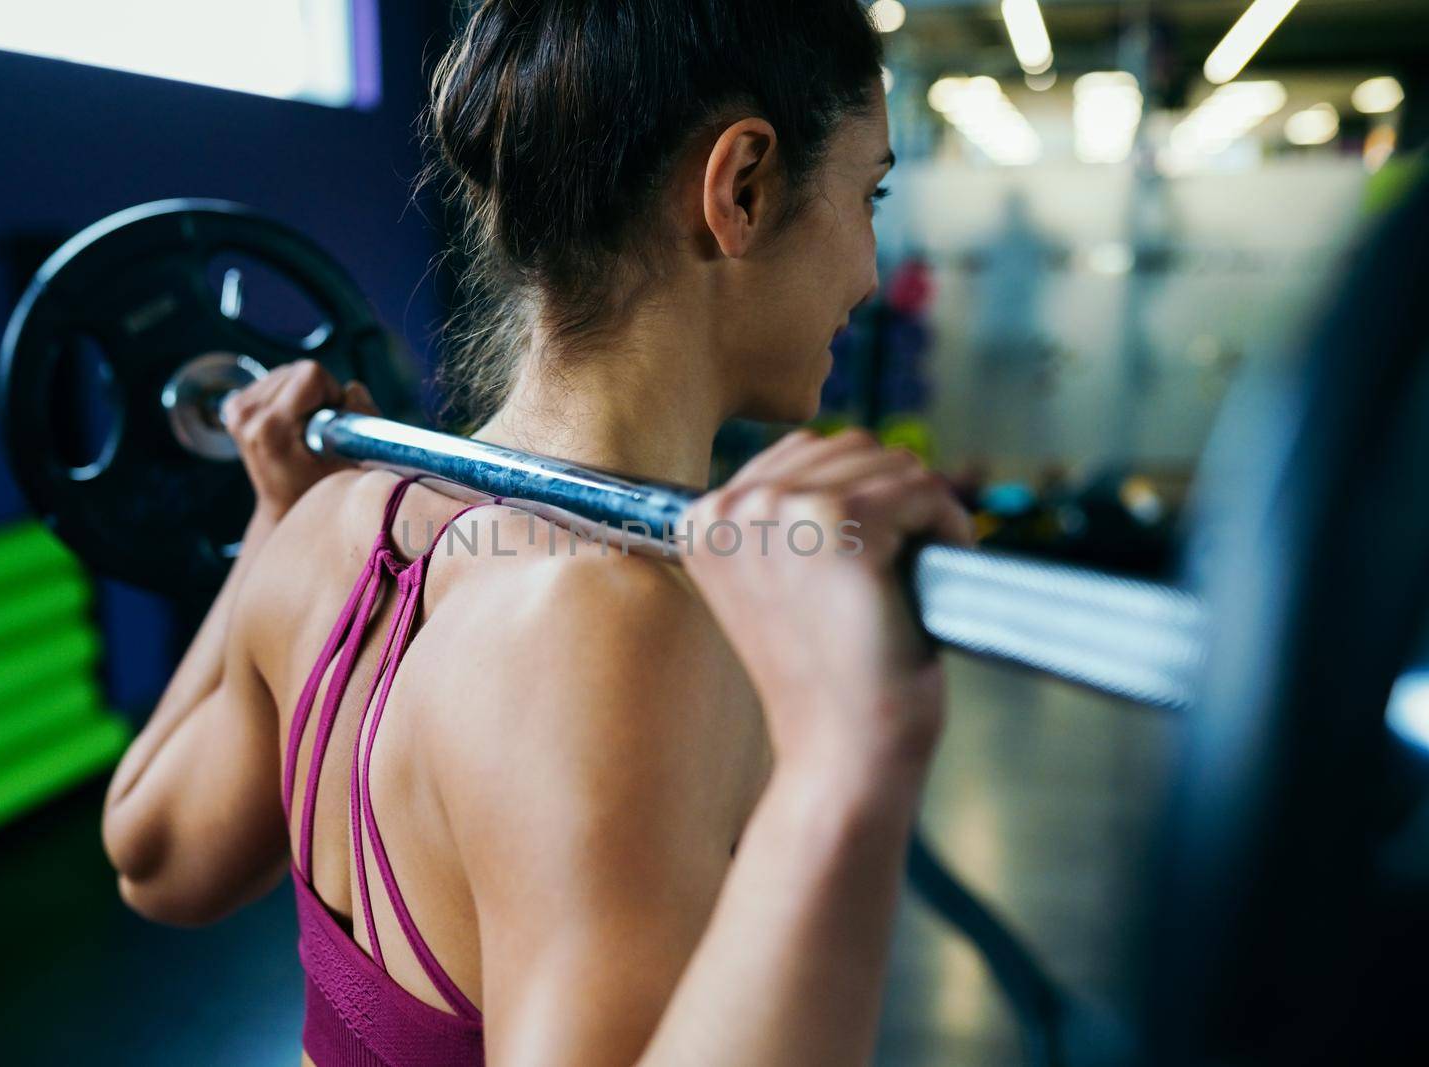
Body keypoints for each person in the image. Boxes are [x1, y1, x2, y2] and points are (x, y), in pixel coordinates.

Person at [99, 1, 973, 1063]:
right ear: (740, 187)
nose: (869, 273)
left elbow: (151, 856)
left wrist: (274, 514)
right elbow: (159, 864)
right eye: (867, 195)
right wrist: (845, 763)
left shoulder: (331, 518)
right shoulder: (616, 623)